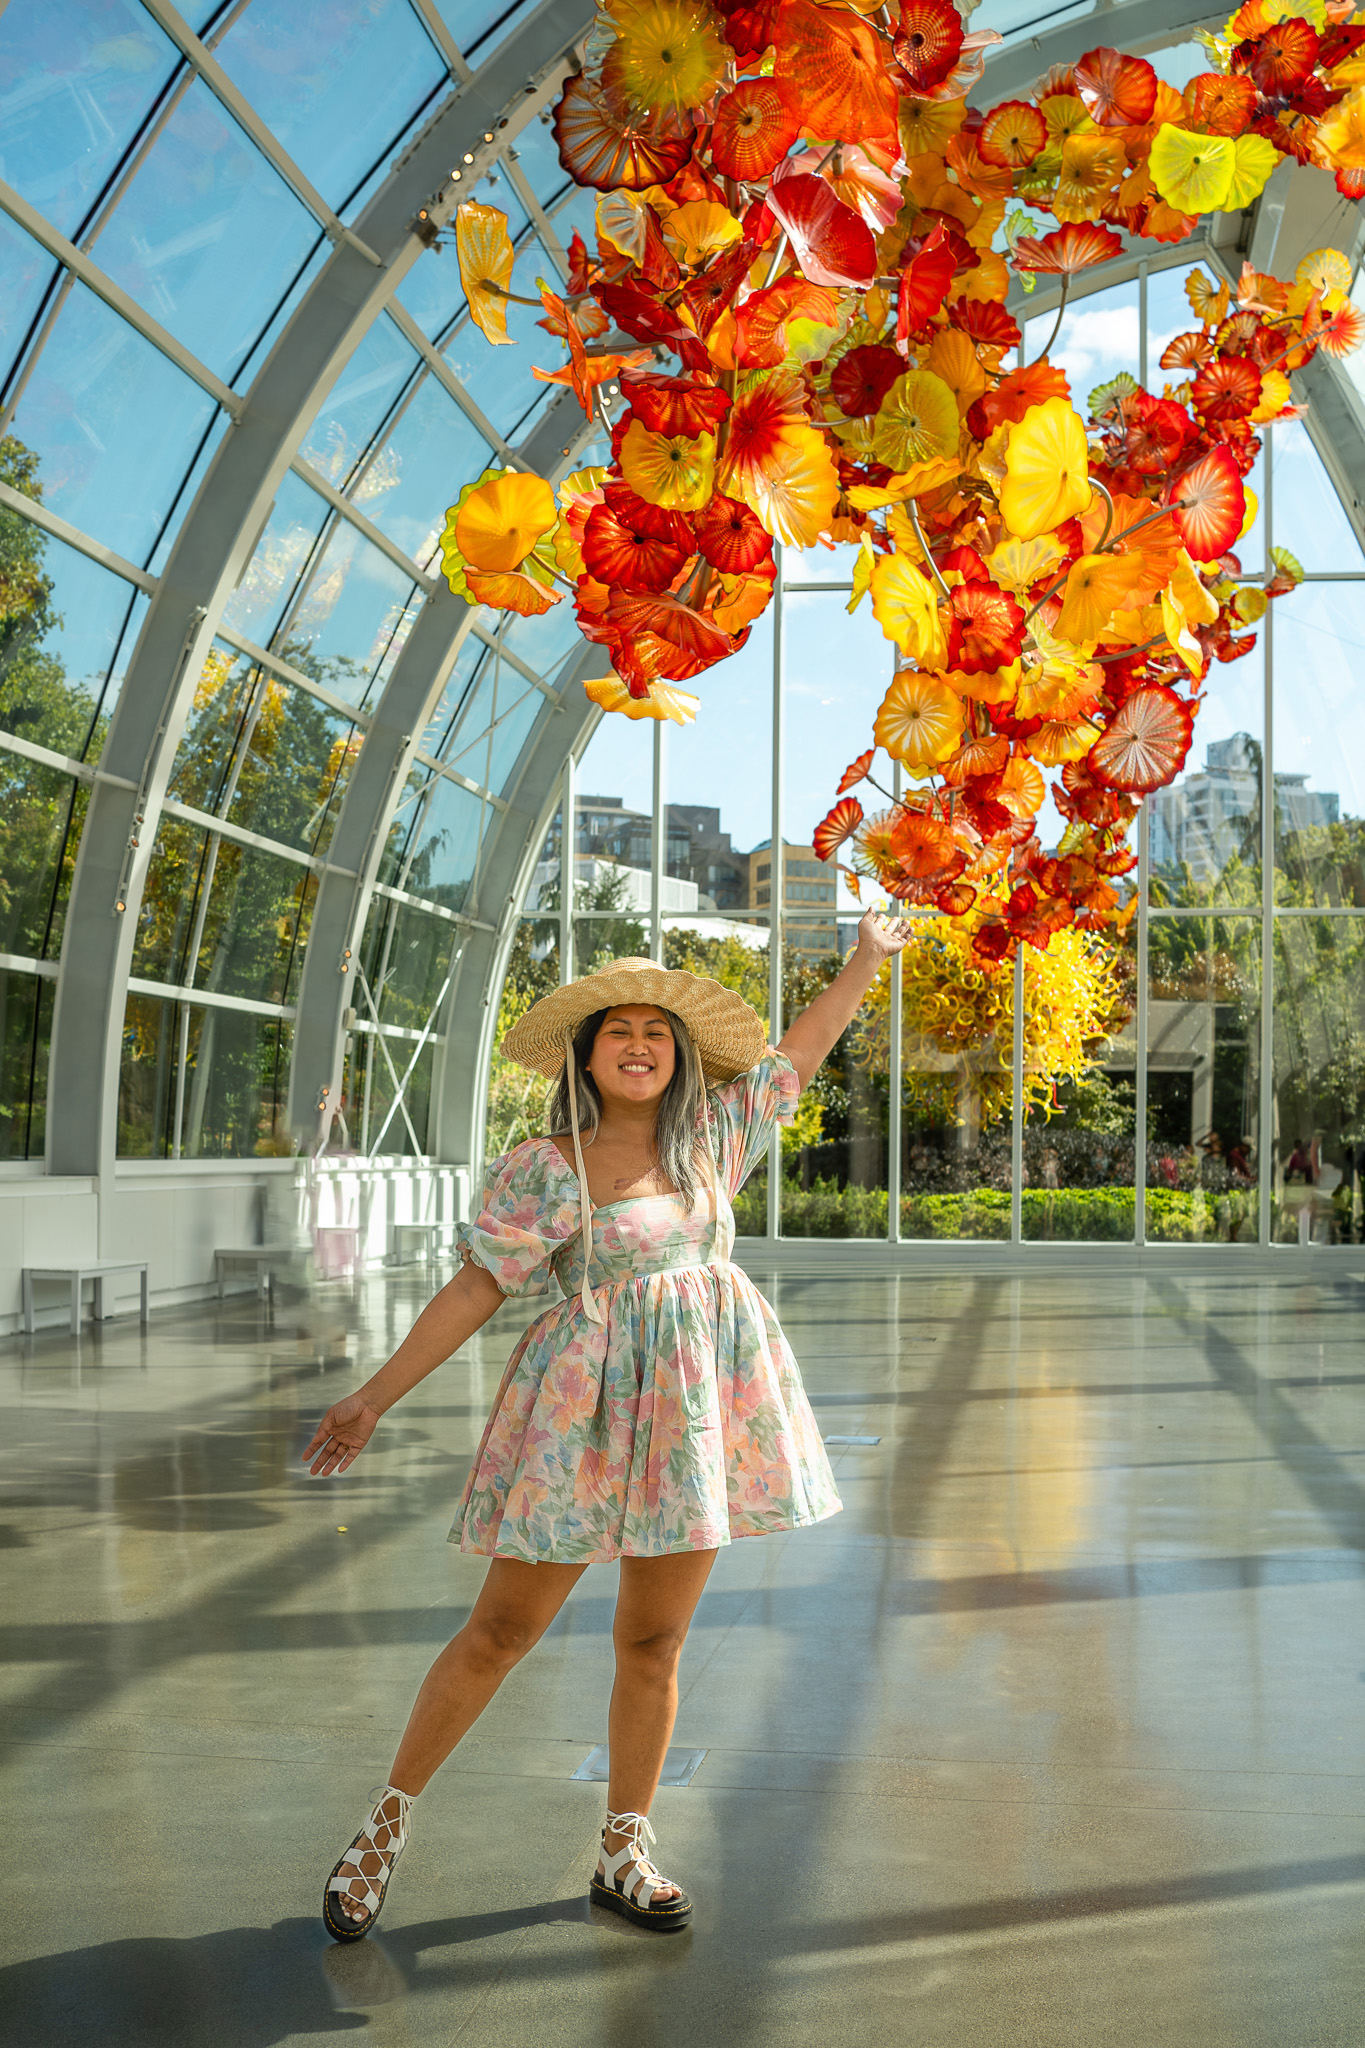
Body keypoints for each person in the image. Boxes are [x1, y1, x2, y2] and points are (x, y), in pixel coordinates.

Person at [303, 909, 913, 1941]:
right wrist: (374, 1393)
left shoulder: (717, 1133)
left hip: (694, 1419)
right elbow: (476, 1287)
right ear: (587, 1054)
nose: (639, 1043)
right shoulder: (546, 1163)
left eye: (658, 1031)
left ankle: (624, 1847)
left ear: (679, 1057)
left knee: (655, 1637)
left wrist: (865, 958)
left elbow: (802, 1049)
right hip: (576, 1420)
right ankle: (385, 1822)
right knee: (501, 1630)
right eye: (618, 1028)